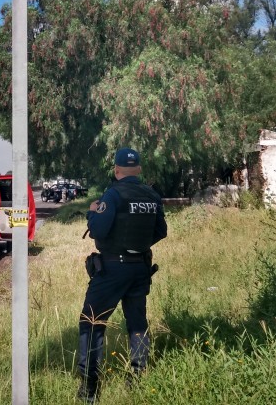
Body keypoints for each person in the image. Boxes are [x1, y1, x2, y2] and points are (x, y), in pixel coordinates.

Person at [76, 147, 168, 403]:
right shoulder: (152, 196)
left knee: (92, 323)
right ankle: (138, 378)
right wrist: (137, 247)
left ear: (116, 170)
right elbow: (161, 231)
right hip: (140, 268)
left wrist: (93, 211)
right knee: (137, 322)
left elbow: (98, 231)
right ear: (138, 169)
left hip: (113, 269)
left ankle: (89, 388)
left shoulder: (113, 195)